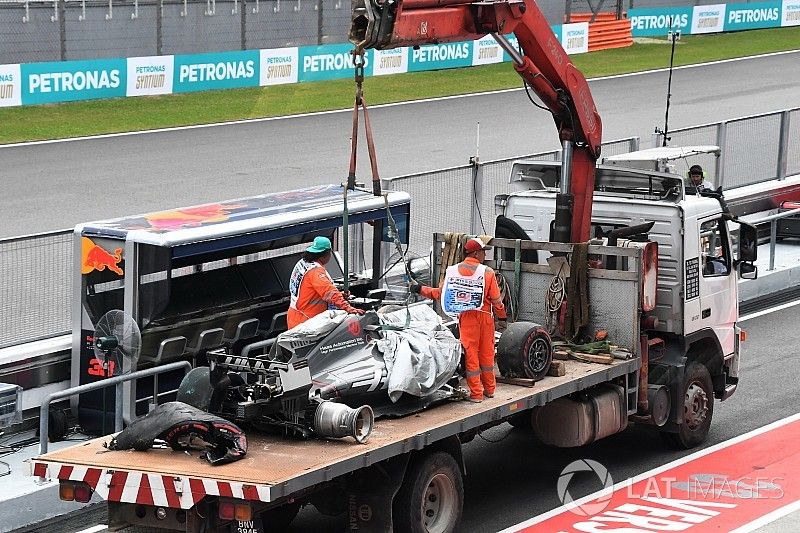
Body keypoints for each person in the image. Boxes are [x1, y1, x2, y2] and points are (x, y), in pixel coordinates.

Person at [412, 237, 507, 403]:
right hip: (485, 318)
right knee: (487, 355)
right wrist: (502, 316)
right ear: (476, 253)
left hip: (466, 318)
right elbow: (496, 300)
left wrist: (420, 289)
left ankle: (476, 394)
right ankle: (490, 390)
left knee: (471, 355)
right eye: (484, 252)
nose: (485, 255)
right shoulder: (487, 272)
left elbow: (440, 294)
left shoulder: (452, 271)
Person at [287, 236, 365, 329]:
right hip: (307, 322)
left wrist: (339, 297)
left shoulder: (303, 263)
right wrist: (349, 308)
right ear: (326, 254)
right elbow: (330, 293)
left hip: (296, 317)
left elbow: (312, 293)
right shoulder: (315, 271)